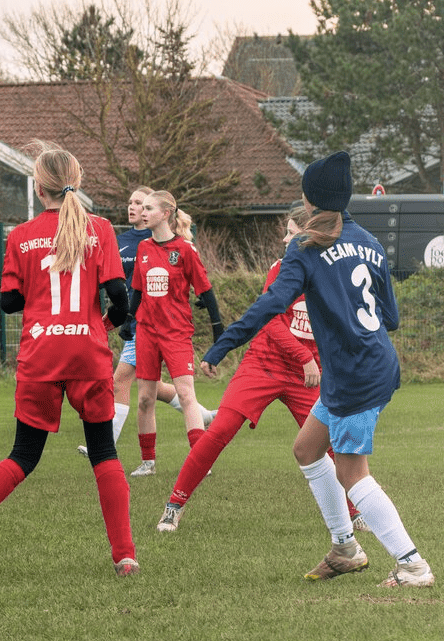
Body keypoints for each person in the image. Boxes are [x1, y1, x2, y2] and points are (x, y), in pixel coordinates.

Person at [202, 152, 433, 587]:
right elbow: (393, 318)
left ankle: (412, 565)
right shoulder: (369, 240)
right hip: (376, 363)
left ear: (309, 200)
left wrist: (223, 344)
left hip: (354, 375)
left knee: (351, 474)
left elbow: (272, 303)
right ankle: (345, 548)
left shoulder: (305, 248)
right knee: (307, 449)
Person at [0, 143, 138, 578]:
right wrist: (103, 325)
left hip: (40, 353)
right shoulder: (100, 229)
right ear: (77, 182)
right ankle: (125, 556)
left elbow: (7, 302)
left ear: (38, 188)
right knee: (103, 452)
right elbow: (120, 297)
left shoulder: (20, 235)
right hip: (88, 352)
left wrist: (38, 297)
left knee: (22, 455)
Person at [156, 203, 364, 533]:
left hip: (306, 377)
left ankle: (356, 512)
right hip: (265, 365)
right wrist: (304, 356)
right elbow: (270, 323)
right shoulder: (282, 269)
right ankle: (174, 505)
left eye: (292, 234)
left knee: (334, 444)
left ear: (312, 235)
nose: (285, 240)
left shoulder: (338, 272)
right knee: (221, 429)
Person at [79, 187, 216, 458]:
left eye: (141, 204)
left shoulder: (173, 244)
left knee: (124, 383)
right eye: (131, 203)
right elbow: (118, 282)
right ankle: (201, 416)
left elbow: (192, 278)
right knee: (146, 392)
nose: (135, 208)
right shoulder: (126, 242)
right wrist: (120, 315)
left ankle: (105, 445)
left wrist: (213, 318)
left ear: (162, 213)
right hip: (139, 324)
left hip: (164, 326)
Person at [127, 189, 224, 477]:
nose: (143, 213)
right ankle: (148, 462)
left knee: (185, 393)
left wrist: (218, 327)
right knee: (145, 398)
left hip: (176, 333)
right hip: (146, 332)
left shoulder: (184, 249)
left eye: (148, 208)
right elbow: (136, 290)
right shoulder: (143, 248)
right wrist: (128, 320)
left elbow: (205, 290)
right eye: (141, 208)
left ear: (166, 213)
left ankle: (199, 460)